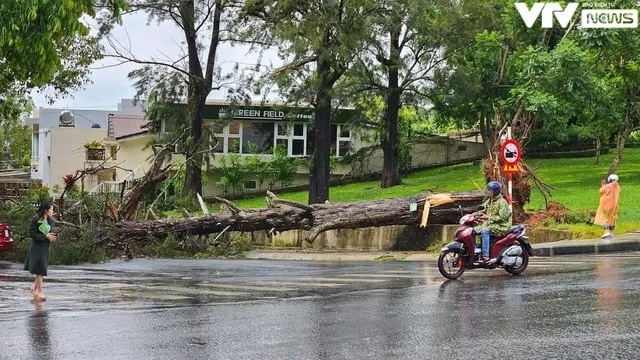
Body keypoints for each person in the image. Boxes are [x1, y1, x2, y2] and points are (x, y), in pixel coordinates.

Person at [24, 202, 57, 301]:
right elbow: (32, 233)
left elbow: (49, 232)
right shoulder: (36, 220)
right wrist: (45, 236)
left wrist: (52, 237)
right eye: (51, 209)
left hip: (45, 247)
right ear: (46, 210)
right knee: (40, 270)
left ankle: (34, 287)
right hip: (37, 248)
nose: (52, 211)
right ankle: (39, 291)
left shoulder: (49, 220)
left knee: (42, 269)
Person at [473, 181, 512, 264]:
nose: (488, 192)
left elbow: (502, 218)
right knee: (473, 230)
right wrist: (475, 215)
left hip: (501, 226)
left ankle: (485, 256)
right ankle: (476, 251)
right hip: (491, 224)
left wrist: (488, 217)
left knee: (485, 231)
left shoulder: (502, 202)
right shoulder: (490, 201)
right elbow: (482, 209)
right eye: (488, 190)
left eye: (490, 190)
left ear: (495, 191)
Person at [594, 174, 621, 239]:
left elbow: (601, 191)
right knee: (612, 218)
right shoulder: (618, 187)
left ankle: (606, 232)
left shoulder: (607, 186)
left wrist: (603, 186)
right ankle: (611, 232)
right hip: (614, 206)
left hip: (605, 205)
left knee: (605, 218)